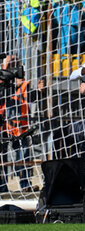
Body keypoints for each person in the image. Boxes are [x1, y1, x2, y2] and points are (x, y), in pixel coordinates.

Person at [0, 55, 44, 192]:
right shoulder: (2, 82)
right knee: (3, 160)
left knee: (23, 159)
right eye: (9, 65)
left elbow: (32, 98)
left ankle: (25, 185)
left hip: (20, 128)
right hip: (4, 127)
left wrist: (40, 92)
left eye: (14, 64)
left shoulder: (25, 85)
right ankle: (3, 187)